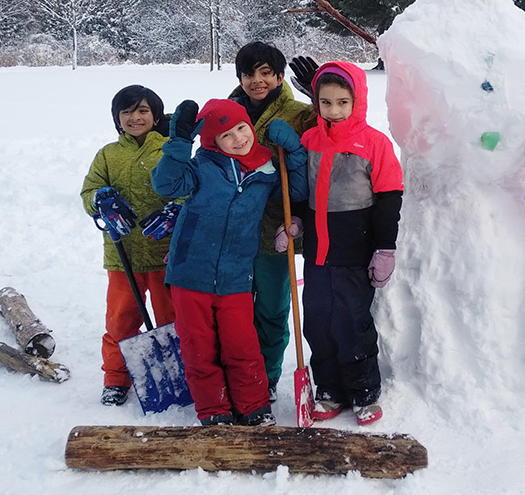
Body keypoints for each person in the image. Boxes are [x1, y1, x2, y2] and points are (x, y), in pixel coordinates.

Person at [151, 98, 307, 426]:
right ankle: (213, 409)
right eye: (226, 135)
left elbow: (296, 192)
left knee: (243, 345)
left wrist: (293, 154)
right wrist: (179, 143)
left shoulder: (267, 166)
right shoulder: (200, 165)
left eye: (241, 128)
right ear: (212, 142)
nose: (238, 138)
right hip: (190, 272)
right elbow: (164, 185)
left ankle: (253, 406)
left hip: (236, 275)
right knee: (198, 346)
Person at [292, 60, 403, 426]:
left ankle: (364, 391)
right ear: (316, 102)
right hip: (317, 254)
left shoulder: (375, 143)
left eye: (343, 102)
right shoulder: (309, 141)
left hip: (354, 251)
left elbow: (389, 199)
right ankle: (329, 388)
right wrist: (293, 220)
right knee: (318, 323)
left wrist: (385, 248)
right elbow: (299, 190)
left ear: (358, 100)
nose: (334, 110)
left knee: (351, 323)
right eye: (326, 102)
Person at [228, 41, 316, 400]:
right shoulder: (227, 112)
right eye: (249, 73)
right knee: (234, 308)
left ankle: (268, 375)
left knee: (272, 308)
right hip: (234, 229)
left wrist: (317, 94)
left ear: (280, 77)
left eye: (266, 73)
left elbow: (337, 127)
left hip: (276, 231)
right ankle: (238, 372)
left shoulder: (298, 112)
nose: (257, 80)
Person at [80, 85, 178, 407]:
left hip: (164, 253)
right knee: (121, 318)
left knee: (172, 317)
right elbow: (89, 191)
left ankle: (178, 370)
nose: (135, 118)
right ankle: (116, 377)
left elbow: (188, 189)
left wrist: (175, 209)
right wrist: (101, 200)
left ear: (156, 115)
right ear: (117, 118)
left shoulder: (169, 150)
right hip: (122, 254)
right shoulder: (108, 154)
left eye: (143, 111)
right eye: (127, 112)